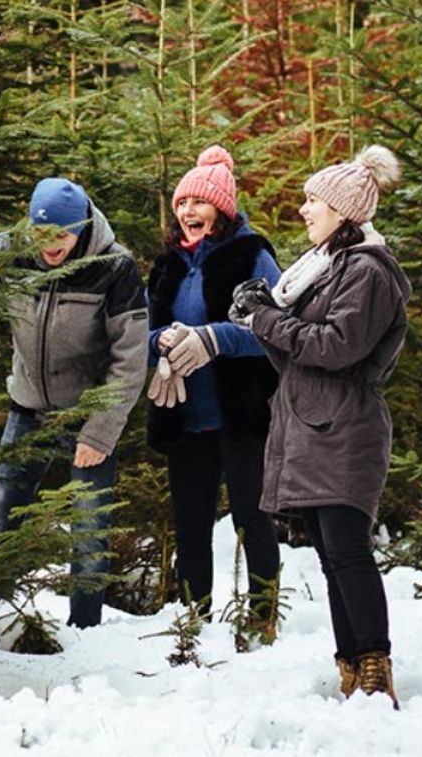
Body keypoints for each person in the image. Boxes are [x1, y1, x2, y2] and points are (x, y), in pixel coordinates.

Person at [230, 144, 409, 709]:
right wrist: (261, 314)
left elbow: (336, 346)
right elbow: (296, 356)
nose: (304, 209)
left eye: (314, 200)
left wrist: (268, 318)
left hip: (345, 427)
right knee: (332, 559)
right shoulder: (322, 269)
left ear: (344, 211)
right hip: (311, 424)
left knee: (349, 552)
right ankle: (351, 667)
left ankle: (376, 667)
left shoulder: (367, 271)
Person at [0, 176, 148, 628]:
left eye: (63, 235)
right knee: (4, 511)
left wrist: (100, 431)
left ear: (82, 228)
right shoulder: (10, 250)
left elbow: (130, 360)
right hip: (26, 408)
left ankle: (85, 629)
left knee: (89, 528)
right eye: (42, 233)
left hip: (87, 415)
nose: (51, 244)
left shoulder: (115, 267)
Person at [144, 145, 282, 627]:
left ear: (221, 209)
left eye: (198, 203)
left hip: (241, 412)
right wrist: (161, 343)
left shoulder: (252, 256)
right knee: (191, 522)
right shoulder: (167, 266)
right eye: (182, 204)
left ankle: (264, 615)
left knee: (251, 515)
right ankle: (192, 617)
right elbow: (142, 330)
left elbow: (273, 331)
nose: (187, 212)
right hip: (185, 413)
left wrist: (211, 339)